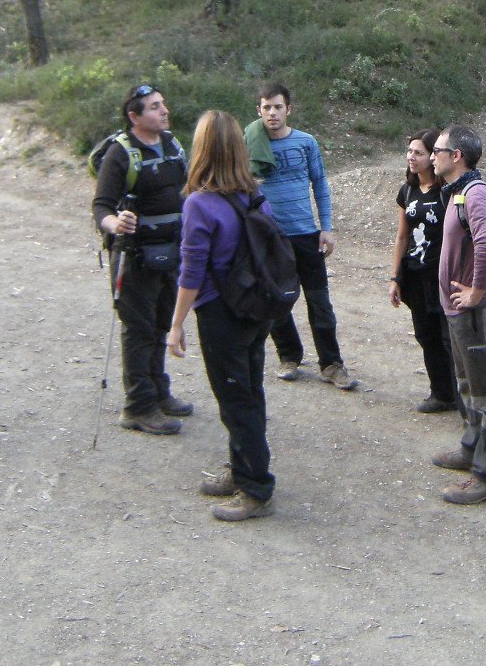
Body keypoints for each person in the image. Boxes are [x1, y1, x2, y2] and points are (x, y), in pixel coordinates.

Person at [166, 111, 277, 522]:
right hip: (254, 308)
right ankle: (242, 468)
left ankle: (255, 488)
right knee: (249, 390)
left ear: (201, 149)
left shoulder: (198, 204)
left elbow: (191, 271)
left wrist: (176, 324)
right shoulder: (250, 193)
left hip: (221, 314)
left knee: (235, 400)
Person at [91, 84, 192, 435]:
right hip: (134, 257)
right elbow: (101, 205)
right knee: (139, 329)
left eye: (162, 104)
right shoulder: (122, 153)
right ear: (134, 117)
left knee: (162, 323)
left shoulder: (172, 145)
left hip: (172, 252)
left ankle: (159, 393)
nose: (163, 111)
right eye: (153, 107)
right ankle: (138, 406)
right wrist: (114, 223)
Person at [254, 83, 358, 390]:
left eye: (277, 107)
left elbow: (320, 185)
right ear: (258, 111)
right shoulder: (251, 145)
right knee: (276, 300)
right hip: (270, 237)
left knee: (319, 301)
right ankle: (289, 356)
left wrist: (326, 227)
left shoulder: (306, 142)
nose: (272, 113)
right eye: (266, 107)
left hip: (305, 234)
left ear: (289, 109)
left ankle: (331, 364)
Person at [429, 124, 486, 505]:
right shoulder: (458, 193)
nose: (432, 156)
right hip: (461, 312)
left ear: (456, 156)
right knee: (468, 384)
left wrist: (477, 291)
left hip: (476, 313)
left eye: (438, 150)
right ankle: (472, 447)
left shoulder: (475, 194)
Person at [387, 128, 459, 414]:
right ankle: (441, 393)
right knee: (426, 336)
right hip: (416, 275)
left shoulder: (447, 192)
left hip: (443, 277)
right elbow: (402, 236)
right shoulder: (408, 190)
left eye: (418, 152)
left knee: (449, 338)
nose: (411, 157)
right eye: (409, 152)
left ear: (432, 156)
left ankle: (462, 395)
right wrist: (395, 277)